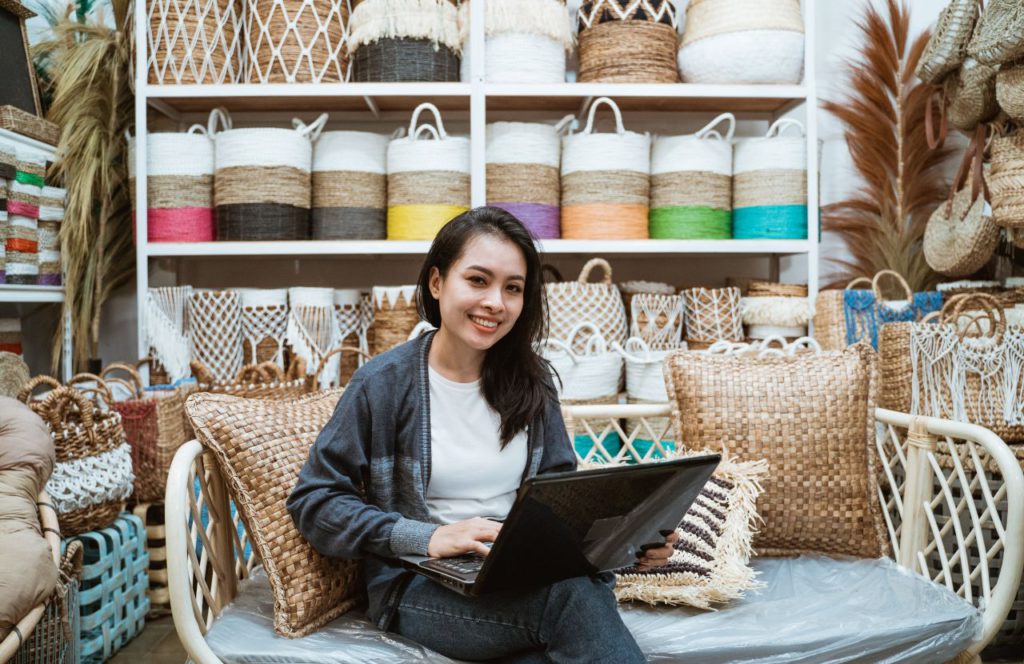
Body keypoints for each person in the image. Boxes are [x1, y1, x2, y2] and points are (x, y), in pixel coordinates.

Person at [288, 207, 676, 662]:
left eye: (512, 288)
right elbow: (314, 502)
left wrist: (629, 543)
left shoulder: (534, 381)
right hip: (422, 585)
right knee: (572, 600)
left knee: (563, 622)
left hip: (522, 576)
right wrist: (426, 538)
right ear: (437, 283)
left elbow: (560, 503)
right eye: (478, 280)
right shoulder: (384, 384)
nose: (496, 302)